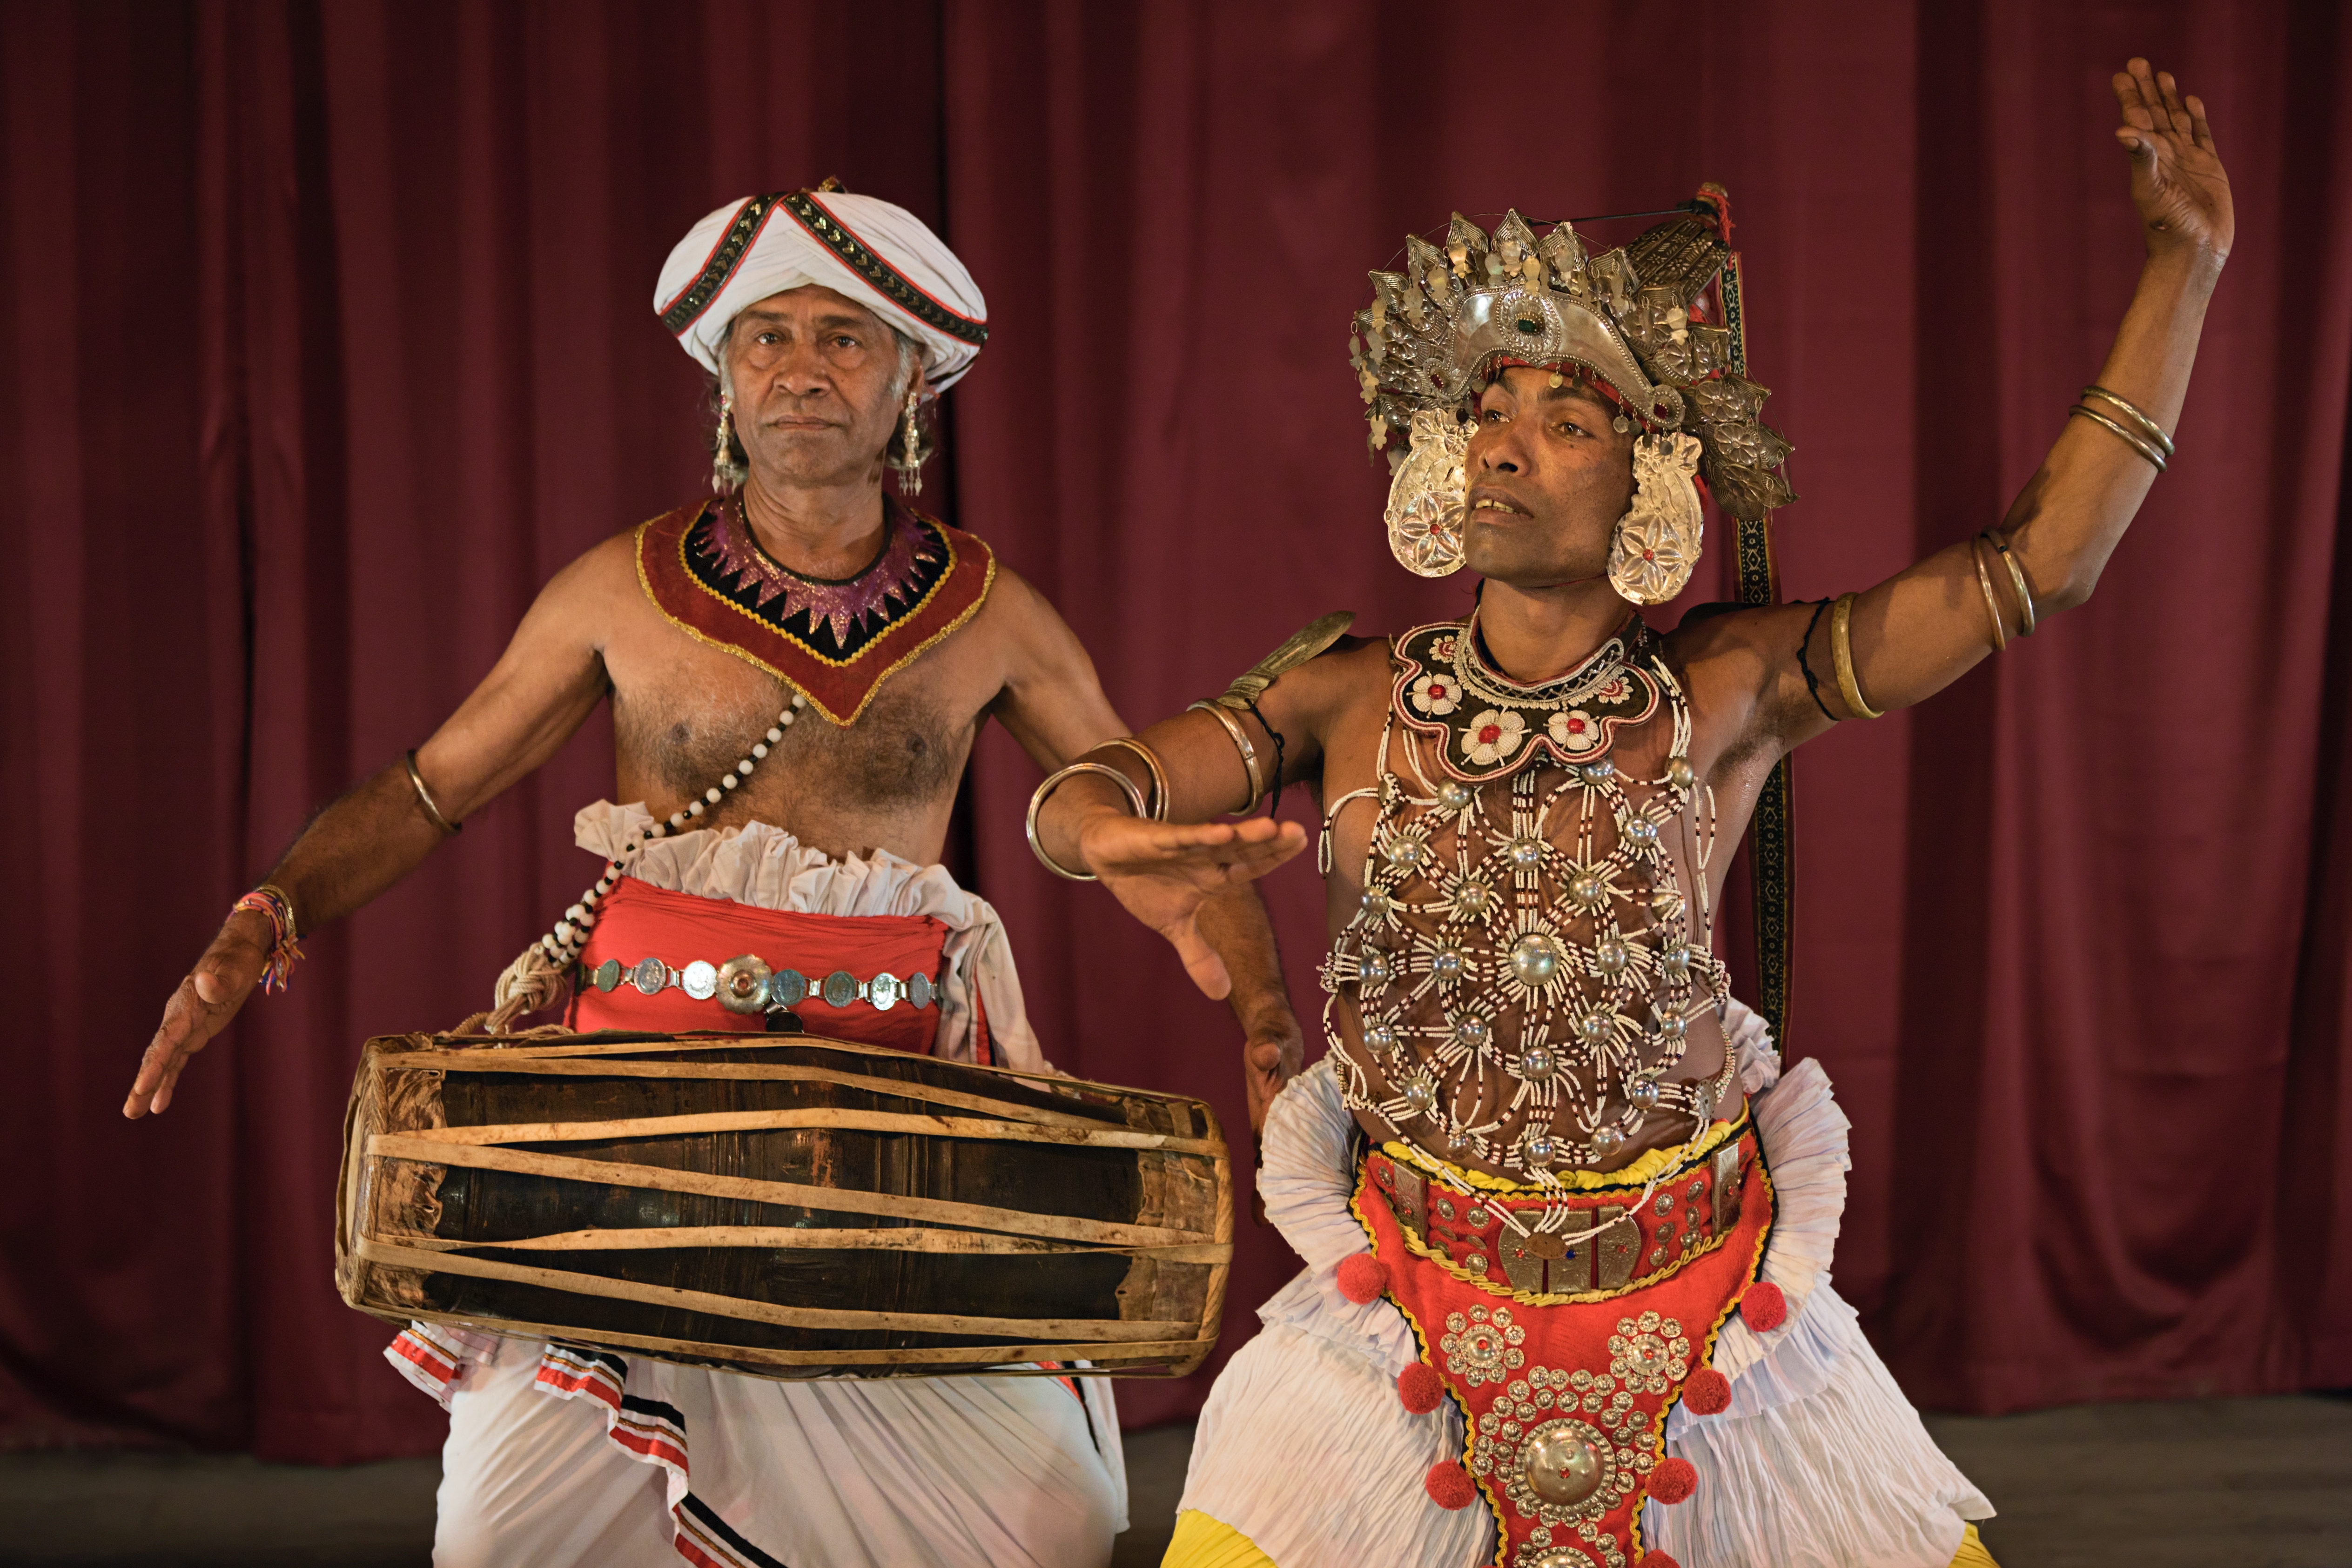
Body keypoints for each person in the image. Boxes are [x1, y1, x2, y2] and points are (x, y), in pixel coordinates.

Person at [1029, 59, 2229, 1568]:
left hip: (1711, 1307)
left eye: (1565, 417)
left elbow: (2039, 564)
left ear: (1656, 474)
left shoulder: (1727, 685)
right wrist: (1107, 840)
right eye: (1485, 409)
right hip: (1395, 1314)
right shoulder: (1341, 696)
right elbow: (1100, 790)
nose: (1505, 445)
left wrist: (2187, 265)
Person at [125, 183, 1304, 1568]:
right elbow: (428, 790)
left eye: (845, 338)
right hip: (636, 1115)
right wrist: (259, 921)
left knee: (1050, 1518)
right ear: (724, 380)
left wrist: (1268, 1013)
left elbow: (1150, 830)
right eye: (766, 339)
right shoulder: (616, 590)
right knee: (510, 1534)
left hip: (900, 1133)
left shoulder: (996, 613)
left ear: (911, 381)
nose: (801, 369)